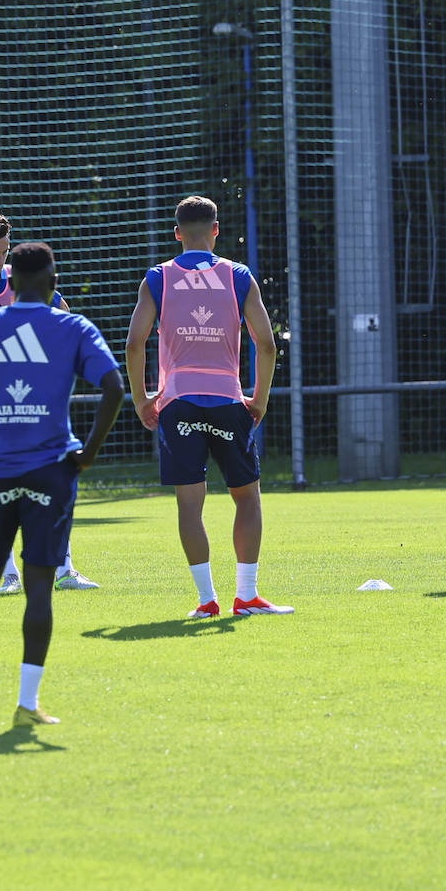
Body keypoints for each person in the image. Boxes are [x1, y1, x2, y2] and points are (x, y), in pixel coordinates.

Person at [0, 242, 123, 727]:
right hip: (52, 471)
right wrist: (88, 455)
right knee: (39, 589)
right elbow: (114, 387)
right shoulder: (72, 327)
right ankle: (27, 705)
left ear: (10, 284)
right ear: (52, 283)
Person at [125, 195, 290, 618]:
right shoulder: (238, 276)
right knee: (248, 499)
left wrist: (143, 399)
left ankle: (206, 600)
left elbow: (134, 342)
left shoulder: (158, 277)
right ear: (216, 230)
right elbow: (267, 344)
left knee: (189, 504)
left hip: (177, 402)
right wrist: (259, 399)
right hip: (228, 400)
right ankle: (247, 595)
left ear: (177, 233)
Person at [0, 210, 99, 593]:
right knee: (2, 486)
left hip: (35, 398)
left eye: (4, 251)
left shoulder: (22, 277)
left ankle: (64, 569)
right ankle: (9, 574)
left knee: (51, 480)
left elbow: (62, 315)